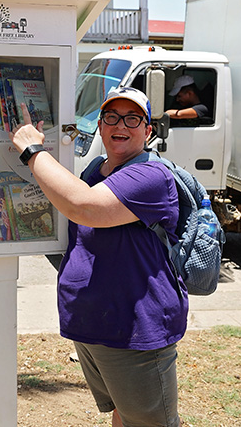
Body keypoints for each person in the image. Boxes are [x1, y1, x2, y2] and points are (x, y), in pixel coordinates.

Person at [10, 87, 188, 427]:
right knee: (121, 412)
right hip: (94, 325)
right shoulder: (96, 169)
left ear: (148, 130)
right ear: (101, 126)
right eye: (111, 117)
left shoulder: (151, 175)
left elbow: (84, 207)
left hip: (135, 330)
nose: (121, 124)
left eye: (133, 118)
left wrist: (33, 151)